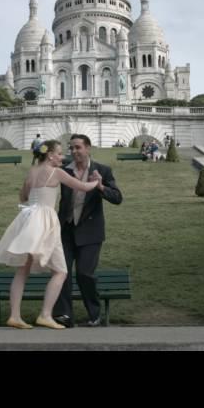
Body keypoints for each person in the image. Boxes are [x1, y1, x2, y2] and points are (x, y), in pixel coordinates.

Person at [0, 139, 99, 329]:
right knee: (61, 271)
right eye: (59, 153)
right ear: (50, 155)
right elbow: (82, 187)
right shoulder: (56, 172)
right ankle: (45, 314)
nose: (63, 156)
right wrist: (96, 182)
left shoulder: (32, 171)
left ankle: (15, 316)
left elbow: (23, 196)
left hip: (28, 219)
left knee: (22, 270)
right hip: (45, 221)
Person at [53, 134, 123, 328]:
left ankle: (94, 314)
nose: (74, 151)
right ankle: (64, 315)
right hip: (65, 230)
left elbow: (117, 198)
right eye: (72, 148)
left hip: (90, 232)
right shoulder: (64, 169)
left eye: (78, 147)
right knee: (62, 272)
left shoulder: (102, 170)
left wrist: (100, 187)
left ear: (88, 148)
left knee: (85, 274)